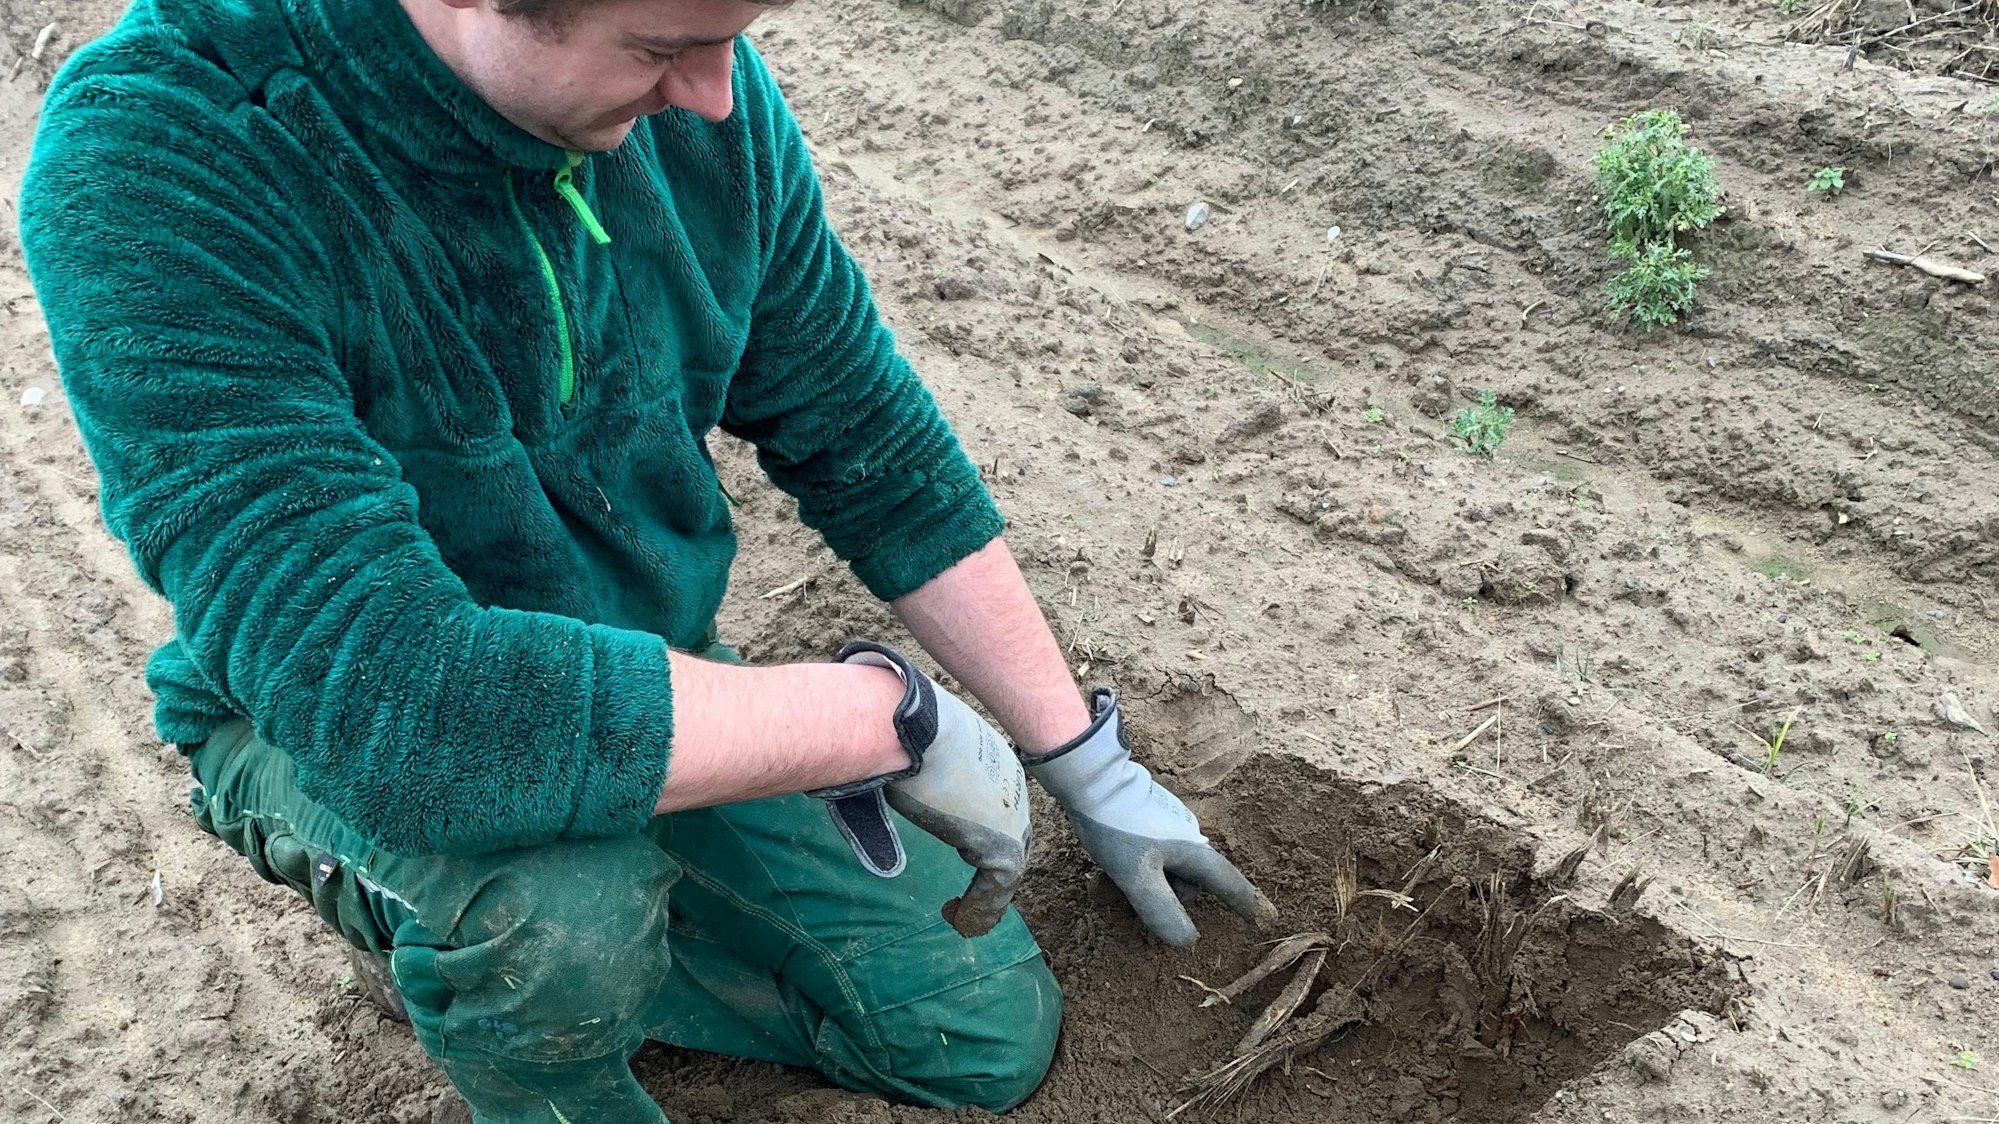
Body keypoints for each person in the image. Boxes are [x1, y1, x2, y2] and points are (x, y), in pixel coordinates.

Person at [18, 0, 1276, 1119]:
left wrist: (1084, 759)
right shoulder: (164, 155)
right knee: (557, 928)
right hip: (320, 721)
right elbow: (397, 702)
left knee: (976, 1030)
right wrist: (879, 717)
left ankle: (571, 912)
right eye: (666, 47)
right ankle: (486, 971)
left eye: (733, 39)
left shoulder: (704, 105)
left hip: (642, 681)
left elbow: (860, 428)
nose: (718, 96)